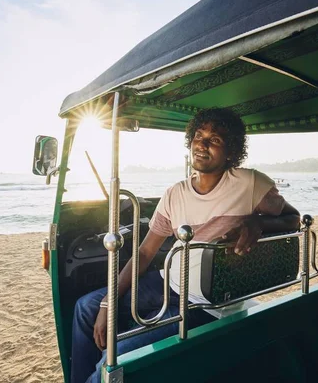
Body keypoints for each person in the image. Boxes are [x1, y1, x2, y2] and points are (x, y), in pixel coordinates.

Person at [71, 108, 300, 383]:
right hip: (169, 283)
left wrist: (258, 223)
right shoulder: (174, 193)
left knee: (114, 361)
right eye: (199, 136)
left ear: (231, 151)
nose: (202, 144)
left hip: (210, 304)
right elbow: (144, 253)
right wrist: (109, 303)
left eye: (214, 139)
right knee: (87, 308)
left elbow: (294, 219)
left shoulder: (250, 183)